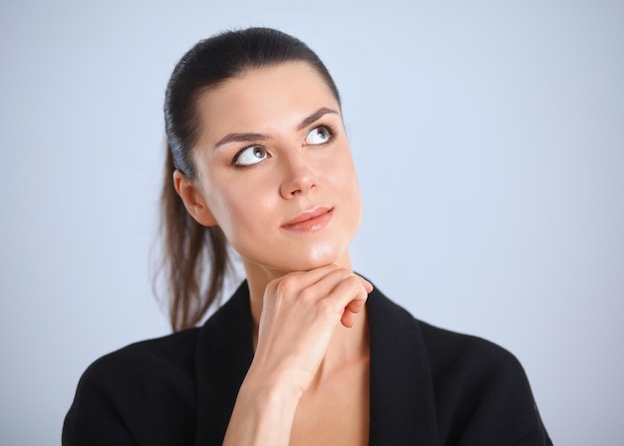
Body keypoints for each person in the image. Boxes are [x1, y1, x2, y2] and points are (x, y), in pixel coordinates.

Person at [62, 27, 552, 445]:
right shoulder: (124, 397)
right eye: (252, 153)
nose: (302, 177)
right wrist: (271, 387)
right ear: (196, 199)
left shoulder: (480, 384)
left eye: (318, 134)